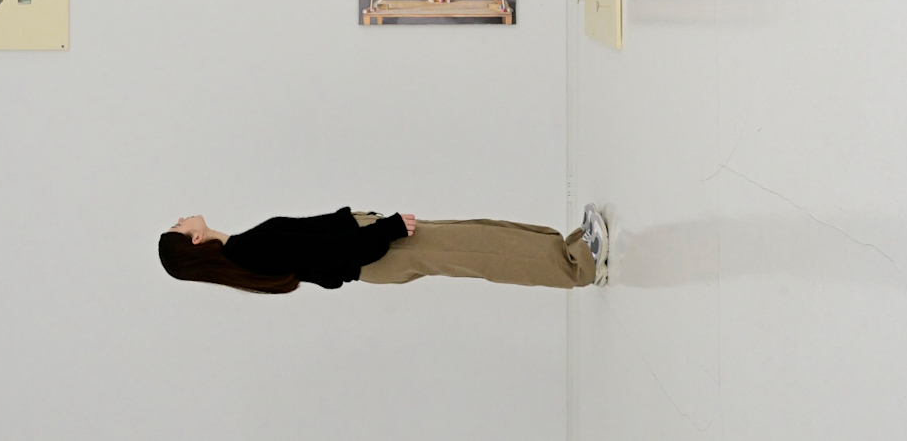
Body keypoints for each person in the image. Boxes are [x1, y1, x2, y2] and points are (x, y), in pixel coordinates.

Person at [158, 203, 614, 294]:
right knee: (483, 251)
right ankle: (581, 266)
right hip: (378, 250)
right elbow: (328, 256)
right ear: (194, 241)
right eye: (179, 226)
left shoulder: (245, 249)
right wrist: (387, 230)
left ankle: (575, 248)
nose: (183, 217)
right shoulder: (250, 248)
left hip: (375, 248)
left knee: (480, 238)